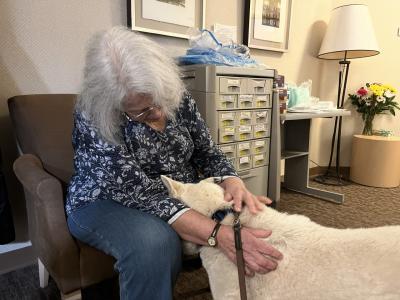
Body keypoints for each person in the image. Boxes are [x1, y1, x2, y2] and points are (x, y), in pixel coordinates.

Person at [66, 26, 283, 300]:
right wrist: (216, 233)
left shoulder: (170, 94)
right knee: (153, 244)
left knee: (250, 216)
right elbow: (143, 195)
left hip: (179, 191)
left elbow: (207, 150)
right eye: (141, 112)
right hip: (107, 200)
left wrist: (233, 180)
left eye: (158, 102)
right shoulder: (94, 116)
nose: (157, 113)